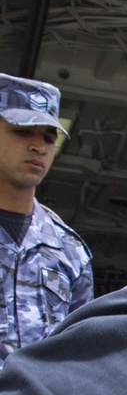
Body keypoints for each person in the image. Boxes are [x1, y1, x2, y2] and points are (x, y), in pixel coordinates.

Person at [0, 71, 91, 363]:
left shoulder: (69, 250)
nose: (39, 147)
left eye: (49, 138)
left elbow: (79, 350)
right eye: (22, 132)